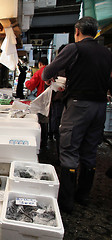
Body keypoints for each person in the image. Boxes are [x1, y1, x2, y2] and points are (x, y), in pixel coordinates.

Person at [42, 16, 112, 213]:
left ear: (77, 31)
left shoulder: (75, 48)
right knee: (90, 152)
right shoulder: (107, 52)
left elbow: (48, 71)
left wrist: (49, 79)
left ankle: (67, 202)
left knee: (69, 150)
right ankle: (83, 196)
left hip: (79, 106)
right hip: (99, 108)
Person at [25, 57, 49, 148]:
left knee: (41, 120)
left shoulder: (39, 72)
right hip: (51, 100)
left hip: (42, 99)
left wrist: (26, 82)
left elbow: (30, 85)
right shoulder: (52, 70)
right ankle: (46, 139)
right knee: (47, 120)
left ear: (39, 64)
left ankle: (42, 142)